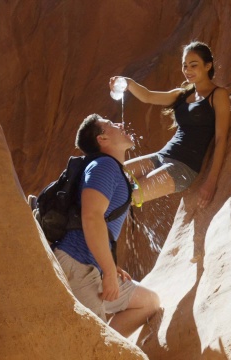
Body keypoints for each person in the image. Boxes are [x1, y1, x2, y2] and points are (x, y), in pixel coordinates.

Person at [52, 113, 160, 337]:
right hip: (77, 266)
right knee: (93, 343)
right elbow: (91, 217)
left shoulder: (111, 168)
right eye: (111, 125)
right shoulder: (104, 167)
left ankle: (112, 347)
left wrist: (107, 264)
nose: (120, 124)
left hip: (92, 267)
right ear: (102, 139)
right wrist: (109, 271)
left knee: (149, 302)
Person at [109, 41, 230, 209]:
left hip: (183, 168)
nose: (187, 70)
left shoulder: (218, 95)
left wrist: (211, 181)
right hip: (161, 156)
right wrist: (128, 83)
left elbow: (221, 138)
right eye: (185, 66)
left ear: (208, 65)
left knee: (127, 195)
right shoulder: (182, 94)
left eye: (193, 65)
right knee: (111, 174)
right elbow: (148, 96)